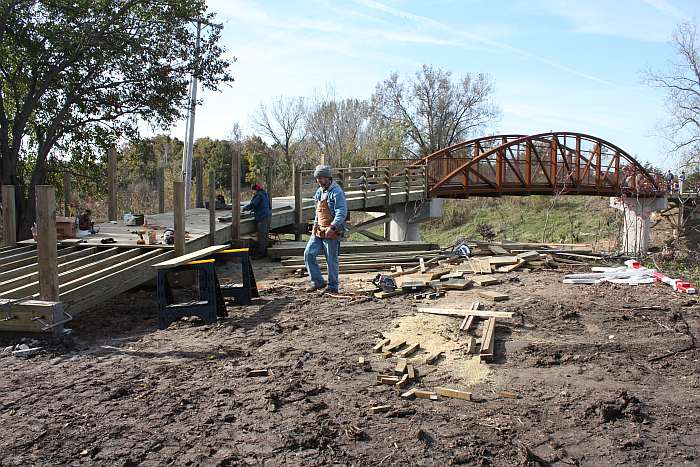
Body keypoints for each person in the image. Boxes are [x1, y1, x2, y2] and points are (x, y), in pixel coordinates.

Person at [304, 165, 347, 293]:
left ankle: (333, 287)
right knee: (308, 254)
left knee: (331, 260)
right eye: (317, 178)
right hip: (319, 230)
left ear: (328, 177)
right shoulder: (319, 192)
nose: (319, 181)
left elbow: (342, 211)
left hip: (332, 231)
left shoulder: (337, 192)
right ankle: (317, 281)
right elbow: (318, 211)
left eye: (321, 178)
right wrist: (315, 225)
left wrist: (333, 227)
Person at [242, 183, 272, 257]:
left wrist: (244, 208)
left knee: (261, 237)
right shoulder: (264, 194)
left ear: (255, 190)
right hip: (267, 217)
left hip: (262, 218)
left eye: (253, 191)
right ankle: (265, 252)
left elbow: (253, 204)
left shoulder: (258, 195)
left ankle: (261, 254)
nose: (253, 192)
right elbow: (268, 206)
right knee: (265, 236)